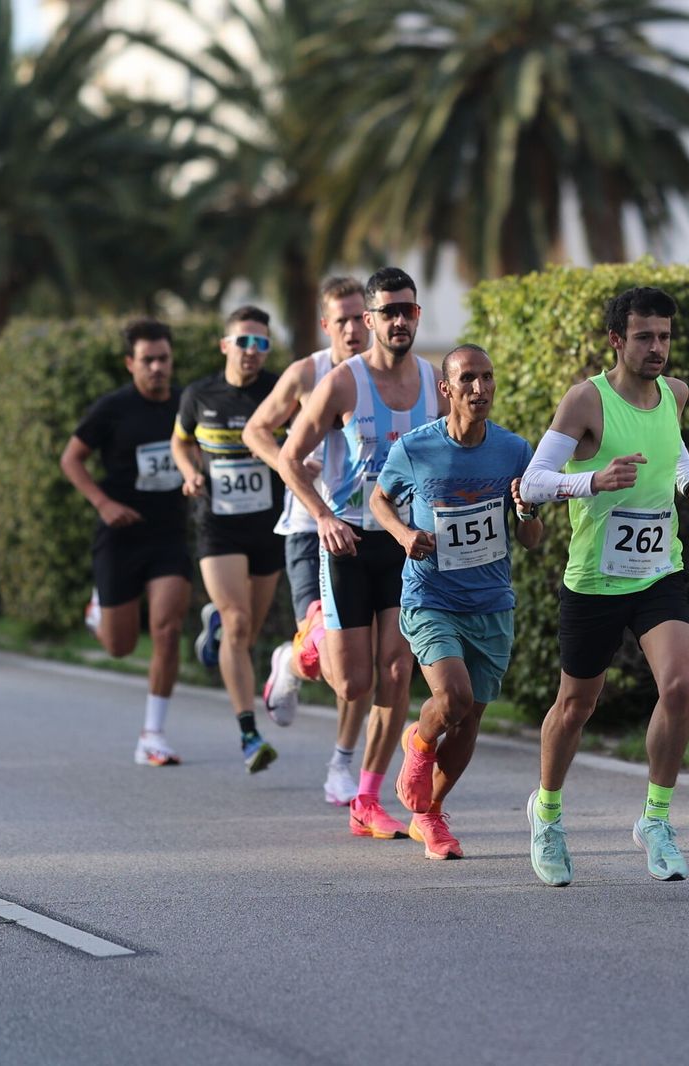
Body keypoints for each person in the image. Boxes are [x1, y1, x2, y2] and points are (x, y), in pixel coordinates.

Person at [518, 286, 689, 886]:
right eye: (644, 337)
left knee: (680, 685)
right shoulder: (587, 400)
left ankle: (656, 820)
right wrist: (593, 483)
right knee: (576, 705)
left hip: (659, 569)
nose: (657, 348)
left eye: (664, 336)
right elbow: (532, 484)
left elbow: (672, 450)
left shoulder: (675, 395)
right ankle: (548, 812)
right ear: (617, 340)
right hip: (594, 579)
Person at [279, 266, 445, 839]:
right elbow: (289, 456)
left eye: (408, 310)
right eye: (388, 312)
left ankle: (367, 798)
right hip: (348, 540)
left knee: (397, 671)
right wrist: (323, 517)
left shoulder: (433, 382)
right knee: (351, 685)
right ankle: (308, 643)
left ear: (417, 315)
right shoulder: (343, 383)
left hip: (404, 546)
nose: (399, 321)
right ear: (369, 320)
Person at [370, 344, 544, 858]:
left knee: (470, 720)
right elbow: (379, 498)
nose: (480, 388)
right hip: (431, 596)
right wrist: (403, 533)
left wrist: (527, 511)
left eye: (488, 377)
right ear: (446, 389)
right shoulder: (416, 448)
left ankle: (429, 815)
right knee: (453, 700)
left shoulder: (515, 450)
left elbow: (532, 539)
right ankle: (419, 743)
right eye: (468, 378)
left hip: (492, 602)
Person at [243, 276, 371, 805]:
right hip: (306, 525)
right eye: (340, 319)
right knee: (322, 645)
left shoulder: (388, 376)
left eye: (359, 317)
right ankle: (289, 664)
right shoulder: (306, 374)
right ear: (326, 325)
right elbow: (255, 431)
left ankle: (342, 764)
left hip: (368, 526)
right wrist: (292, 460)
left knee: (361, 657)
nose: (351, 328)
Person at [58, 318, 192, 767]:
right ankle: (99, 611)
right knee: (119, 646)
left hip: (169, 535)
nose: (157, 368)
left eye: (164, 359)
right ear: (130, 363)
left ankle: (152, 733)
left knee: (167, 630)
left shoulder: (185, 405)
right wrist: (102, 503)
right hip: (120, 536)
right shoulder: (113, 408)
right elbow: (71, 458)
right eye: (147, 360)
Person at [172, 306, 285, 773]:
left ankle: (214, 627)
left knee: (247, 633)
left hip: (267, 526)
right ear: (225, 346)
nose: (251, 352)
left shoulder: (280, 391)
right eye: (243, 342)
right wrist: (190, 472)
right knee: (239, 623)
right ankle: (248, 733)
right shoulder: (199, 394)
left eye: (261, 344)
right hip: (217, 526)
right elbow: (180, 441)